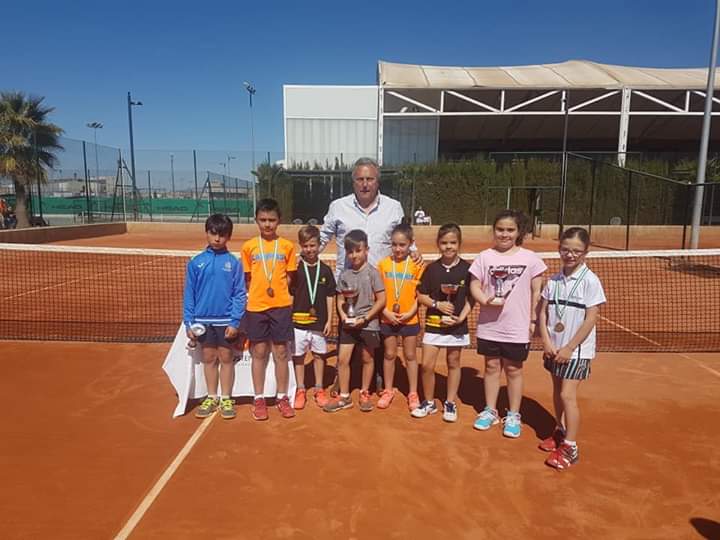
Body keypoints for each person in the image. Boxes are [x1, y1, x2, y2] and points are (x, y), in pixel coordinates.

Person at [320, 157, 421, 391]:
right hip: (348, 284)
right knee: (347, 329)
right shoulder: (338, 206)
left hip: (379, 284)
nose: (365, 183)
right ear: (353, 181)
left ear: (378, 181)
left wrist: (414, 252)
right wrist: (306, 255)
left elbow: (402, 235)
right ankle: (341, 375)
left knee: (374, 332)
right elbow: (324, 236)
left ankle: (374, 374)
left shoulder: (393, 207)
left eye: (370, 179)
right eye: (360, 179)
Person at [469, 210, 547, 438]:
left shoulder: (531, 259)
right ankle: (490, 410)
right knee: (491, 367)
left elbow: (537, 292)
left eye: (510, 230)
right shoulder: (484, 257)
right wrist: (485, 300)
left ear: (518, 232)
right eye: (500, 229)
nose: (504, 234)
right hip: (489, 325)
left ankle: (513, 414)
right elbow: (475, 285)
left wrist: (533, 320)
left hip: (517, 327)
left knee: (513, 369)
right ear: (494, 230)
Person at [538, 227, 606, 470]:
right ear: (559, 249)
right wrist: (546, 340)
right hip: (554, 348)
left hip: (576, 351)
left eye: (576, 251)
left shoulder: (590, 281)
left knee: (568, 394)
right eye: (565, 249)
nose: (570, 255)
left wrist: (569, 347)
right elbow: (543, 311)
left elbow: (591, 319)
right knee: (557, 390)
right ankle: (560, 430)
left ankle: (571, 446)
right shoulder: (554, 280)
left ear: (585, 252)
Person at [183, 214, 247, 420]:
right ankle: (212, 396)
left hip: (225, 321)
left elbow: (239, 293)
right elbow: (189, 293)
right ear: (207, 233)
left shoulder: (233, 262)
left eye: (222, 234)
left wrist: (235, 321)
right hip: (202, 322)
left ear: (228, 237)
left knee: (227, 358)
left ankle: (226, 397)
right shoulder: (196, 262)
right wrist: (189, 322)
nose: (217, 238)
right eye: (214, 233)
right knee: (209, 358)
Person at [241, 198, 298, 421]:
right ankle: (259, 398)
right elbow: (247, 278)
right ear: (256, 220)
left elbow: (290, 276)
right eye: (263, 220)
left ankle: (282, 397)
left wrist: (280, 294)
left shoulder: (287, 246)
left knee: (281, 353)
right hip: (256, 307)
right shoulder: (249, 247)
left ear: (279, 221)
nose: (267, 224)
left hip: (281, 307)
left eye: (271, 220)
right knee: (259, 353)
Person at [412, 223, 472, 422]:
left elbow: (472, 298)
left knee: (453, 363)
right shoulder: (431, 269)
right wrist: (438, 304)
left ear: (459, 244)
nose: (448, 247)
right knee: (427, 365)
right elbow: (420, 295)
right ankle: (429, 402)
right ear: (438, 244)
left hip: (457, 326)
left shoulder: (468, 269)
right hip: (433, 324)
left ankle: (450, 402)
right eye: (444, 242)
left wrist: (461, 316)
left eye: (453, 243)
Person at [323, 229, 386, 413]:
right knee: (343, 359)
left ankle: (365, 392)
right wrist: (344, 317)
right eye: (350, 251)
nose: (354, 255)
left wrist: (366, 318)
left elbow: (382, 300)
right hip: (349, 325)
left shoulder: (373, 273)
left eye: (358, 250)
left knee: (368, 358)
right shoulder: (344, 275)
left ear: (367, 250)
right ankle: (344, 396)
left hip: (369, 324)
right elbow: (341, 299)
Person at [377, 223, 424, 411]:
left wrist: (410, 313)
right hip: (387, 317)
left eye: (402, 245)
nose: (398, 249)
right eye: (394, 245)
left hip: (409, 318)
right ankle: (388, 390)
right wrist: (385, 312)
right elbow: (378, 292)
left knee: (410, 355)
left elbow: (420, 294)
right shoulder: (383, 264)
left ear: (410, 244)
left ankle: (413, 392)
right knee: (389, 354)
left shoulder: (417, 265)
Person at [291, 224, 336, 409]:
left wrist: (329, 320)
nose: (309, 249)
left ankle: (318, 388)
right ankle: (300, 389)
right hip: (298, 322)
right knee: (299, 357)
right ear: (301, 246)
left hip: (319, 323)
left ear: (319, 245)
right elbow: (291, 294)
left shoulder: (325, 270)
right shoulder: (295, 269)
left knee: (319, 356)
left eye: (313, 245)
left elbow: (330, 295)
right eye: (306, 246)